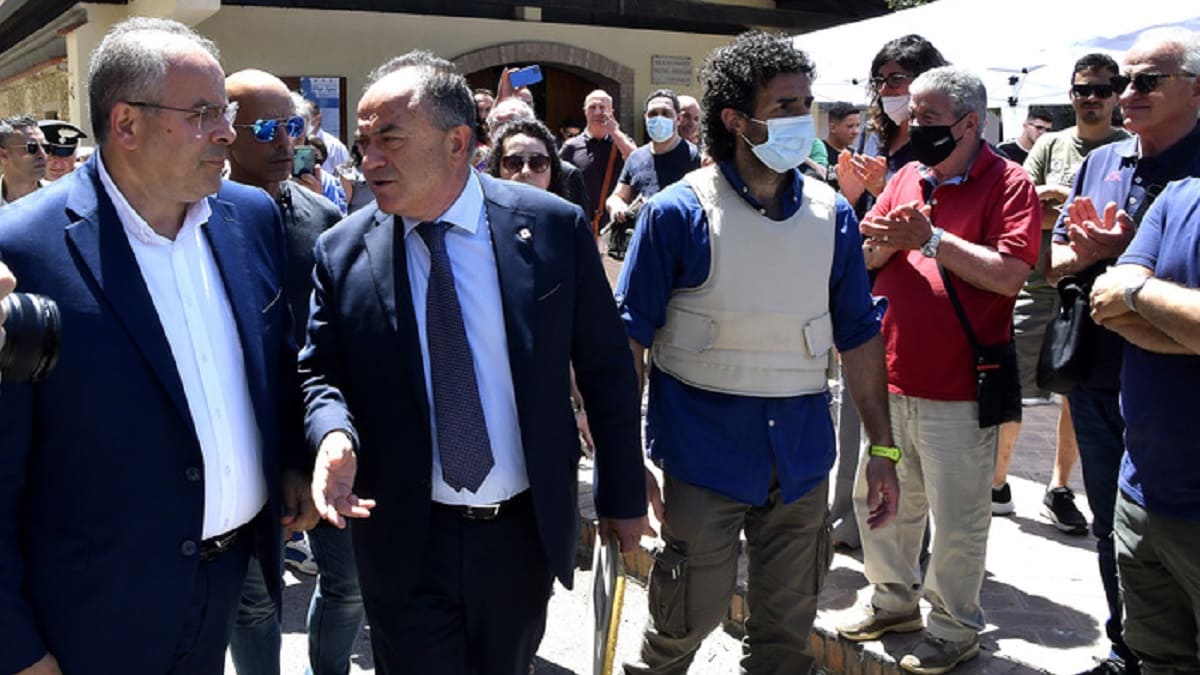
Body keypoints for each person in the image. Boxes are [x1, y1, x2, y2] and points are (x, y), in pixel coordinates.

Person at [300, 50, 648, 675]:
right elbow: (319, 371)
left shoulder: (551, 227)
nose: (368, 160)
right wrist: (332, 434)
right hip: (405, 539)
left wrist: (622, 494)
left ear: (457, 142)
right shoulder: (342, 251)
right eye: (363, 143)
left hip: (520, 536)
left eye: (389, 140)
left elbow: (604, 368)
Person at [0, 17, 315, 675]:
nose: (226, 132)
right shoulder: (22, 251)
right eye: (203, 114)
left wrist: (291, 459)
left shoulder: (251, 218)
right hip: (88, 618)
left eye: (225, 113)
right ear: (126, 124)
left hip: (224, 583)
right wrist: (19, 649)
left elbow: (276, 363)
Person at [619, 31, 899, 674]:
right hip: (702, 458)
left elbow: (858, 336)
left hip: (801, 462)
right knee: (680, 628)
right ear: (734, 120)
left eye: (806, 103)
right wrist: (622, 458)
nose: (802, 119)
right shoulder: (676, 214)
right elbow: (628, 341)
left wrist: (883, 451)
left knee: (786, 641)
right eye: (784, 106)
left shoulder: (833, 216)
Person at [838, 65, 1040, 674]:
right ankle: (891, 601)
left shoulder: (1010, 184)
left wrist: (930, 240)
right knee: (880, 500)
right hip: (888, 377)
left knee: (957, 518)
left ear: (970, 123)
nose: (915, 125)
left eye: (928, 117)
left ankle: (953, 627)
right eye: (914, 114)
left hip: (959, 388)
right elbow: (868, 255)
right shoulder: (906, 175)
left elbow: (1009, 274)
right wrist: (883, 244)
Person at [1048, 27, 1200, 675]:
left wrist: (1128, 275)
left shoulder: (1190, 177)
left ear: (1195, 90)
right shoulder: (1102, 161)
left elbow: (1134, 285)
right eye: (1118, 82)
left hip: (1174, 399)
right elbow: (1059, 260)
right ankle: (1123, 648)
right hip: (1099, 372)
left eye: (1145, 81)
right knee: (1117, 526)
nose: (1122, 93)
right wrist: (1090, 256)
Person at [221, 68, 363, 675]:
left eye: (293, 128)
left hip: (320, 432)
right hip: (244, 443)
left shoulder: (323, 218)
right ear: (225, 131)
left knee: (349, 585)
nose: (285, 143)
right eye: (266, 130)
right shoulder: (198, 221)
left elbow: (335, 342)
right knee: (254, 603)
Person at [991, 53, 1130, 527]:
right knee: (1013, 384)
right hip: (1035, 284)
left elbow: (1119, 219)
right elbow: (1021, 207)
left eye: (1102, 90)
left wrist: (1059, 201)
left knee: (1077, 392)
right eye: (1083, 90)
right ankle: (996, 481)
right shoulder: (1051, 144)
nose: (1092, 98)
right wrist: (1064, 207)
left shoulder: (1127, 149)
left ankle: (1060, 487)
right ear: (1071, 95)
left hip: (1094, 290)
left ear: (1116, 95)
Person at [826, 34, 947, 553]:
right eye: (880, 81)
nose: (887, 90)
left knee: (903, 428)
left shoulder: (934, 147)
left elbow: (919, 224)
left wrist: (879, 194)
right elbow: (856, 223)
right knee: (855, 413)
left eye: (898, 78)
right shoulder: (875, 143)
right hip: (865, 296)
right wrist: (853, 195)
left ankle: (907, 537)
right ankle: (850, 518)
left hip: (914, 304)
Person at [1089, 176, 1200, 673]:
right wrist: (1183, 325)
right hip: (1143, 496)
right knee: (1158, 660)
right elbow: (1106, 303)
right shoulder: (1178, 195)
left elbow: (1125, 290)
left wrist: (1137, 292)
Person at [605, 88, 701, 227]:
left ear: (678, 119)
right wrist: (617, 206)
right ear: (645, 118)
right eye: (653, 114)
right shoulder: (636, 158)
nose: (659, 118)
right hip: (642, 233)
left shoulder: (695, 157)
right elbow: (618, 196)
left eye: (666, 113)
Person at [558, 89, 637, 236]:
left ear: (611, 111)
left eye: (602, 107)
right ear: (585, 111)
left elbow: (638, 163)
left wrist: (615, 132)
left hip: (614, 226)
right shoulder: (571, 147)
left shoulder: (621, 142)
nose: (597, 112)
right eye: (592, 107)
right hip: (580, 227)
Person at [0, 116, 47, 206]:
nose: (42, 154)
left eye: (45, 147)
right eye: (32, 147)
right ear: (3, 155)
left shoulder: (63, 199)